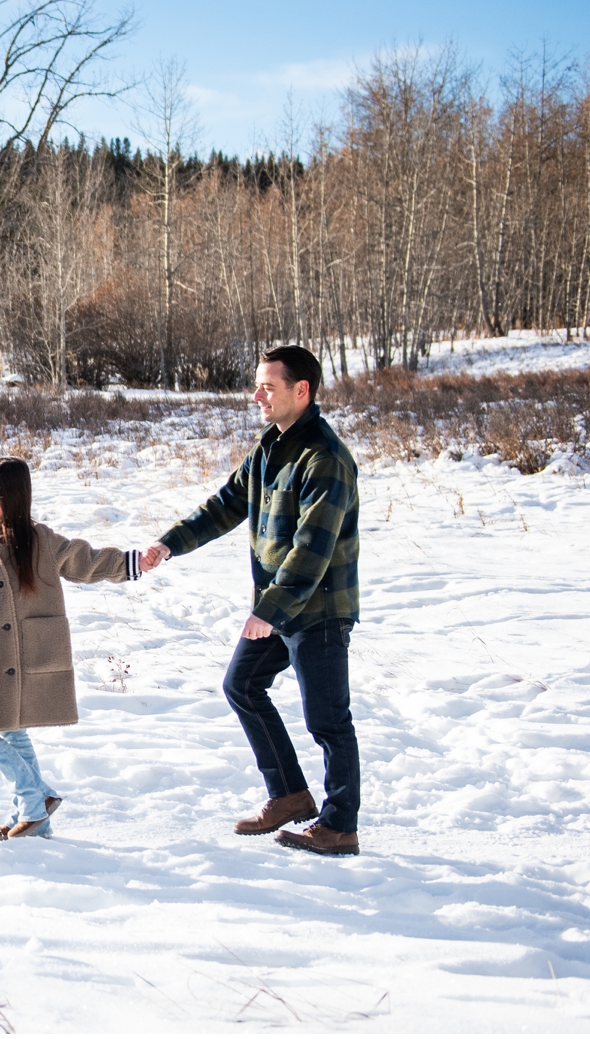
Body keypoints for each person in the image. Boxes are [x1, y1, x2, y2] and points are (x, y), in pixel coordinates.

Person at [140, 345, 362, 856]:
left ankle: (339, 825)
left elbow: (312, 549)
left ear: (300, 391)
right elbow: (225, 504)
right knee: (242, 684)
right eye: (258, 384)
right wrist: (170, 542)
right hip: (282, 608)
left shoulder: (323, 460)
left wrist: (269, 609)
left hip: (319, 609)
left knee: (328, 719)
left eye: (268, 386)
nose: (256, 394)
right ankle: (287, 795)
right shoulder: (271, 448)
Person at [0, 456, 144, 840]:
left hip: (32, 654)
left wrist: (131, 563)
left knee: (4, 731)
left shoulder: (39, 540)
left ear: (15, 498)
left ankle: (32, 808)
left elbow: (86, 561)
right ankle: (37, 804)